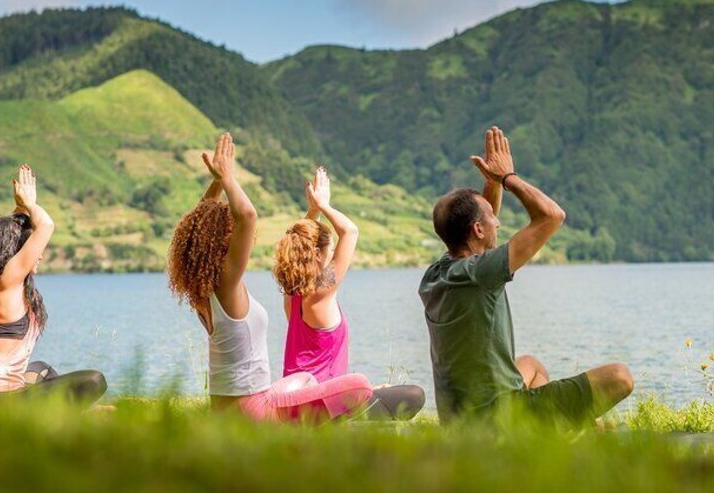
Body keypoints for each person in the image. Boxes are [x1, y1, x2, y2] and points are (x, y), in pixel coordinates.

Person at [419, 126, 633, 426]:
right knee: (620, 376)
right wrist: (508, 179)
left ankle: (552, 433)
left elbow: (481, 219)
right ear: (478, 230)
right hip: (494, 421)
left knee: (530, 365)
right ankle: (561, 434)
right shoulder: (482, 273)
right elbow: (552, 216)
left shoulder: (438, 273)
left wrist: (491, 183)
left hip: (459, 420)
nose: (499, 221)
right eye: (493, 220)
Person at [167, 133, 372, 423]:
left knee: (304, 381)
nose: (242, 239)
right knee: (360, 384)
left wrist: (215, 183)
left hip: (227, 408)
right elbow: (247, 216)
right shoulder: (226, 283)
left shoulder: (200, 287)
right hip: (252, 411)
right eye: (230, 232)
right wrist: (227, 177)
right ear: (222, 242)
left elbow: (195, 234)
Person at [273, 167, 425, 421]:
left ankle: (360, 404)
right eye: (330, 250)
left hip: (297, 405)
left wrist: (313, 213)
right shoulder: (320, 294)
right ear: (319, 254)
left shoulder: (292, 295)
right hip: (321, 410)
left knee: (375, 392)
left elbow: (303, 241)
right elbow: (350, 231)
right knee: (414, 394)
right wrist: (324, 205)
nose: (333, 255)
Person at [0, 165, 107, 406]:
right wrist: (30, 204)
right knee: (94, 380)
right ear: (14, 253)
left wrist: (20, 209)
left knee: (42, 370)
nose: (38, 255)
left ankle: (69, 419)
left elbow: (16, 232)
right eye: (30, 248)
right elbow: (46, 226)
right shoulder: (7, 281)